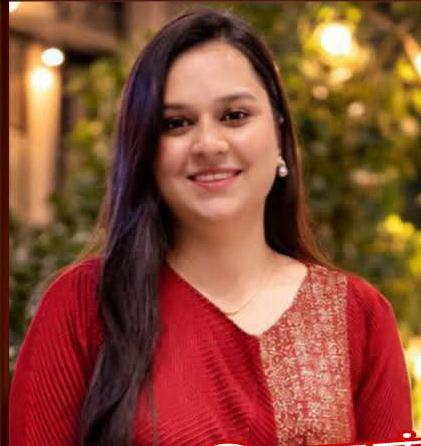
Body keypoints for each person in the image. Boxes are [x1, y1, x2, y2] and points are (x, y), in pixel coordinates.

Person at [9, 8, 413, 446]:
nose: (208, 144)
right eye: (176, 124)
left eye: (234, 115)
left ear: (279, 132)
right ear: (146, 149)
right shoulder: (83, 306)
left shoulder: (358, 315)